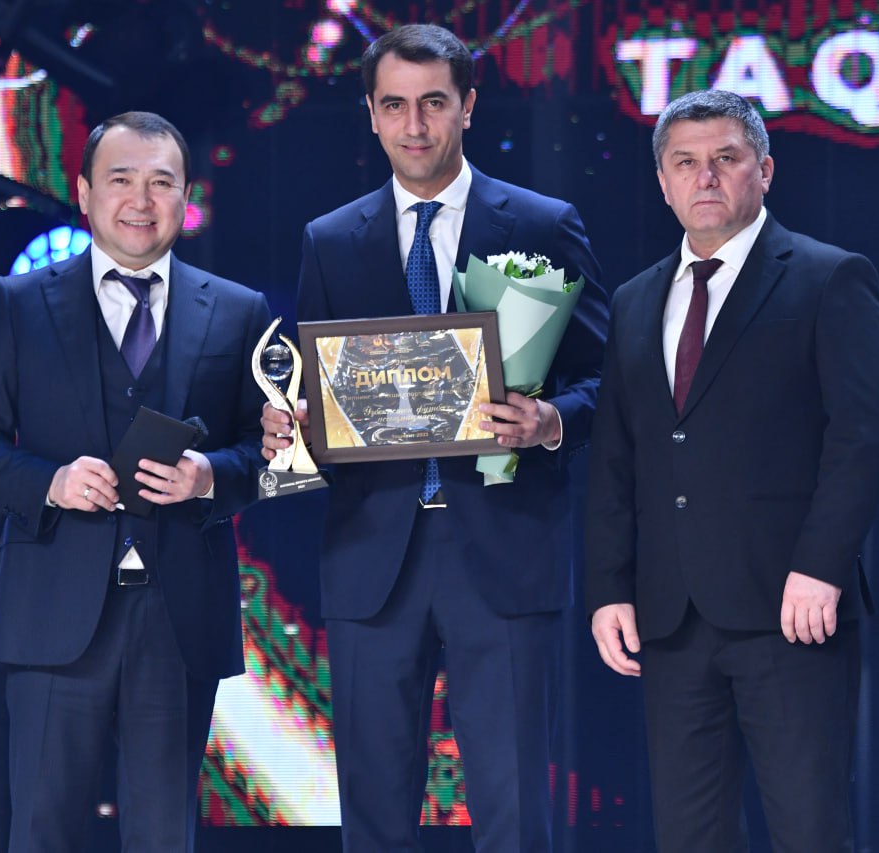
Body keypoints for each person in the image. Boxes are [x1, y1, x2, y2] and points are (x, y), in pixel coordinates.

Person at [261, 23, 608, 853]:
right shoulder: (329, 239)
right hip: (371, 555)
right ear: (371, 115)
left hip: (504, 547)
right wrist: (292, 425)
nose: (414, 125)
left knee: (515, 812)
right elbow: (317, 392)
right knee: (374, 812)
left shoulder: (542, 224)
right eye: (394, 106)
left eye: (433, 104)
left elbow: (608, 377)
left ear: (468, 107)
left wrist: (552, 420)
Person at [0, 111, 270, 853]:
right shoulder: (17, 303)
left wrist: (209, 476)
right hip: (53, 610)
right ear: (85, 194)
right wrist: (50, 482)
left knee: (164, 836)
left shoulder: (238, 311)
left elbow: (271, 452)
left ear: (185, 196)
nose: (141, 200)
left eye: (161, 182)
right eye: (121, 179)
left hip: (180, 617)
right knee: (43, 830)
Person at [584, 89, 879, 852]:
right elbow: (616, 455)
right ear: (663, 182)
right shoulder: (633, 300)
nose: (706, 177)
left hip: (791, 610)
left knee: (809, 831)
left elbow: (864, 434)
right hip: (670, 617)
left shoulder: (828, 277)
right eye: (685, 162)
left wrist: (821, 566)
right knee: (689, 836)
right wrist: (608, 587)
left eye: (725, 158)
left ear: (764, 169)